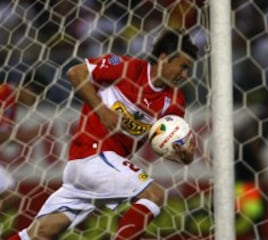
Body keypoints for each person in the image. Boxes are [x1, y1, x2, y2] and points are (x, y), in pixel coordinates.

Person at [9, 29, 198, 240]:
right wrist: (102, 109)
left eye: (188, 69)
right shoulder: (127, 67)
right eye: (183, 67)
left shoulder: (174, 100)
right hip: (93, 155)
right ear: (163, 58)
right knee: (155, 195)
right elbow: (76, 73)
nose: (185, 75)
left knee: (40, 233)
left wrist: (184, 156)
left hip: (96, 169)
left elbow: (165, 142)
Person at [0, 76, 42, 215]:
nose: (35, 102)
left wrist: (19, 138)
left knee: (13, 196)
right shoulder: (3, 93)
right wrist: (21, 136)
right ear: (28, 88)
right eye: (36, 97)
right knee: (12, 196)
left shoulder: (12, 104)